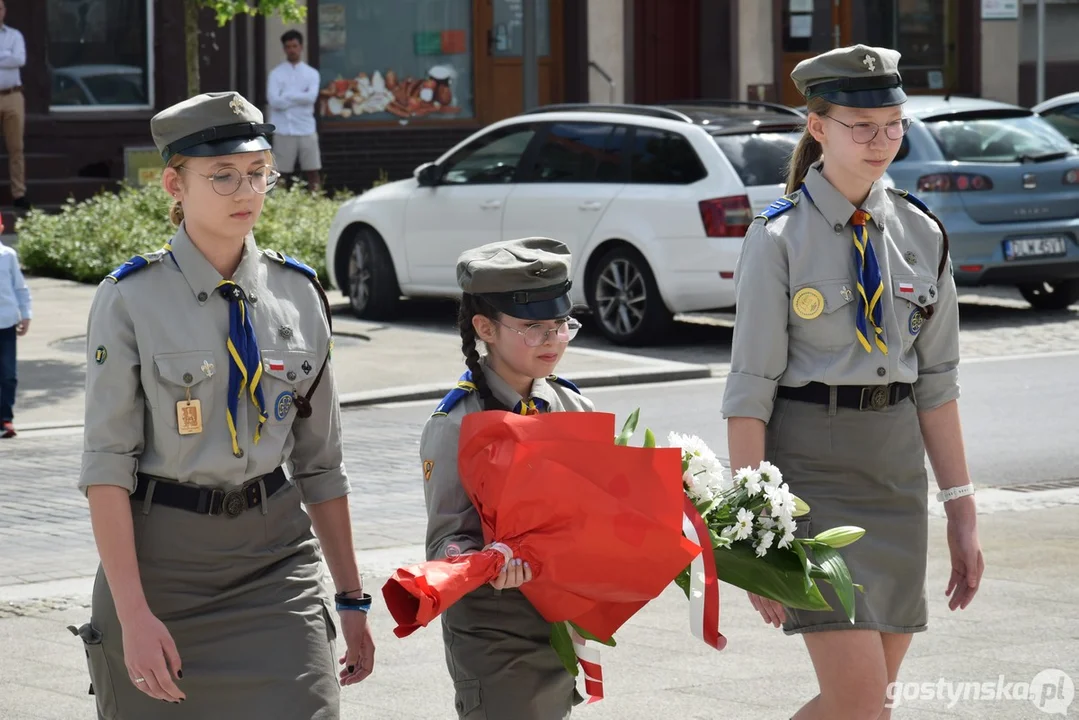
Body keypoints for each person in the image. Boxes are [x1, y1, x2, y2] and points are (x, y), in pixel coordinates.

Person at [71, 91, 374, 719]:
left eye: (260, 173)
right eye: (224, 175)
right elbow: (106, 468)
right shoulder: (130, 298)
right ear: (173, 185)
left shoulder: (298, 295)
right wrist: (132, 614)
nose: (247, 191)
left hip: (275, 563)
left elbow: (322, 465)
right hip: (163, 570)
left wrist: (351, 600)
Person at [720, 45, 985, 720]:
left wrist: (960, 511)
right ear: (817, 127)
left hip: (895, 479)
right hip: (811, 475)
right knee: (860, 702)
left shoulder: (922, 232)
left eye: (892, 124)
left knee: (870, 706)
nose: (880, 141)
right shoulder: (777, 237)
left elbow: (937, 384)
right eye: (860, 126)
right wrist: (749, 533)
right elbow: (749, 389)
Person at [422, 237, 593, 719]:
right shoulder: (455, 422)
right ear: (485, 327)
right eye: (534, 327)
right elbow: (445, 541)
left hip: (557, 614)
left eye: (562, 325)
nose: (553, 340)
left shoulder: (573, 405)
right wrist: (485, 563)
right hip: (492, 625)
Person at [267, 30, 322, 192]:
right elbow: (274, 101)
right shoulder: (276, 74)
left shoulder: (311, 74)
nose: (292, 49)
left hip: (306, 128)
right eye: (288, 46)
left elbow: (311, 97)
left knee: (313, 171)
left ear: (301, 47)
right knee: (281, 174)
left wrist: (288, 95)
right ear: (284, 49)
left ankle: (316, 203)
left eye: (295, 46)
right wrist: (300, 97)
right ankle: (281, 207)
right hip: (283, 129)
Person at [0, 213, 30, 437]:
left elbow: (20, 288)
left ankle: (5, 419)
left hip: (6, 323)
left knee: (8, 374)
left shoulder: (8, 255)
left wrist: (26, 314)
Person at [0, 0, 27, 209]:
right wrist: (6, 56)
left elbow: (19, 59)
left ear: (4, 11)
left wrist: (8, 57)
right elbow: (10, 58)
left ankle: (19, 194)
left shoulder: (14, 35)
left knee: (16, 147)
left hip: (12, 96)